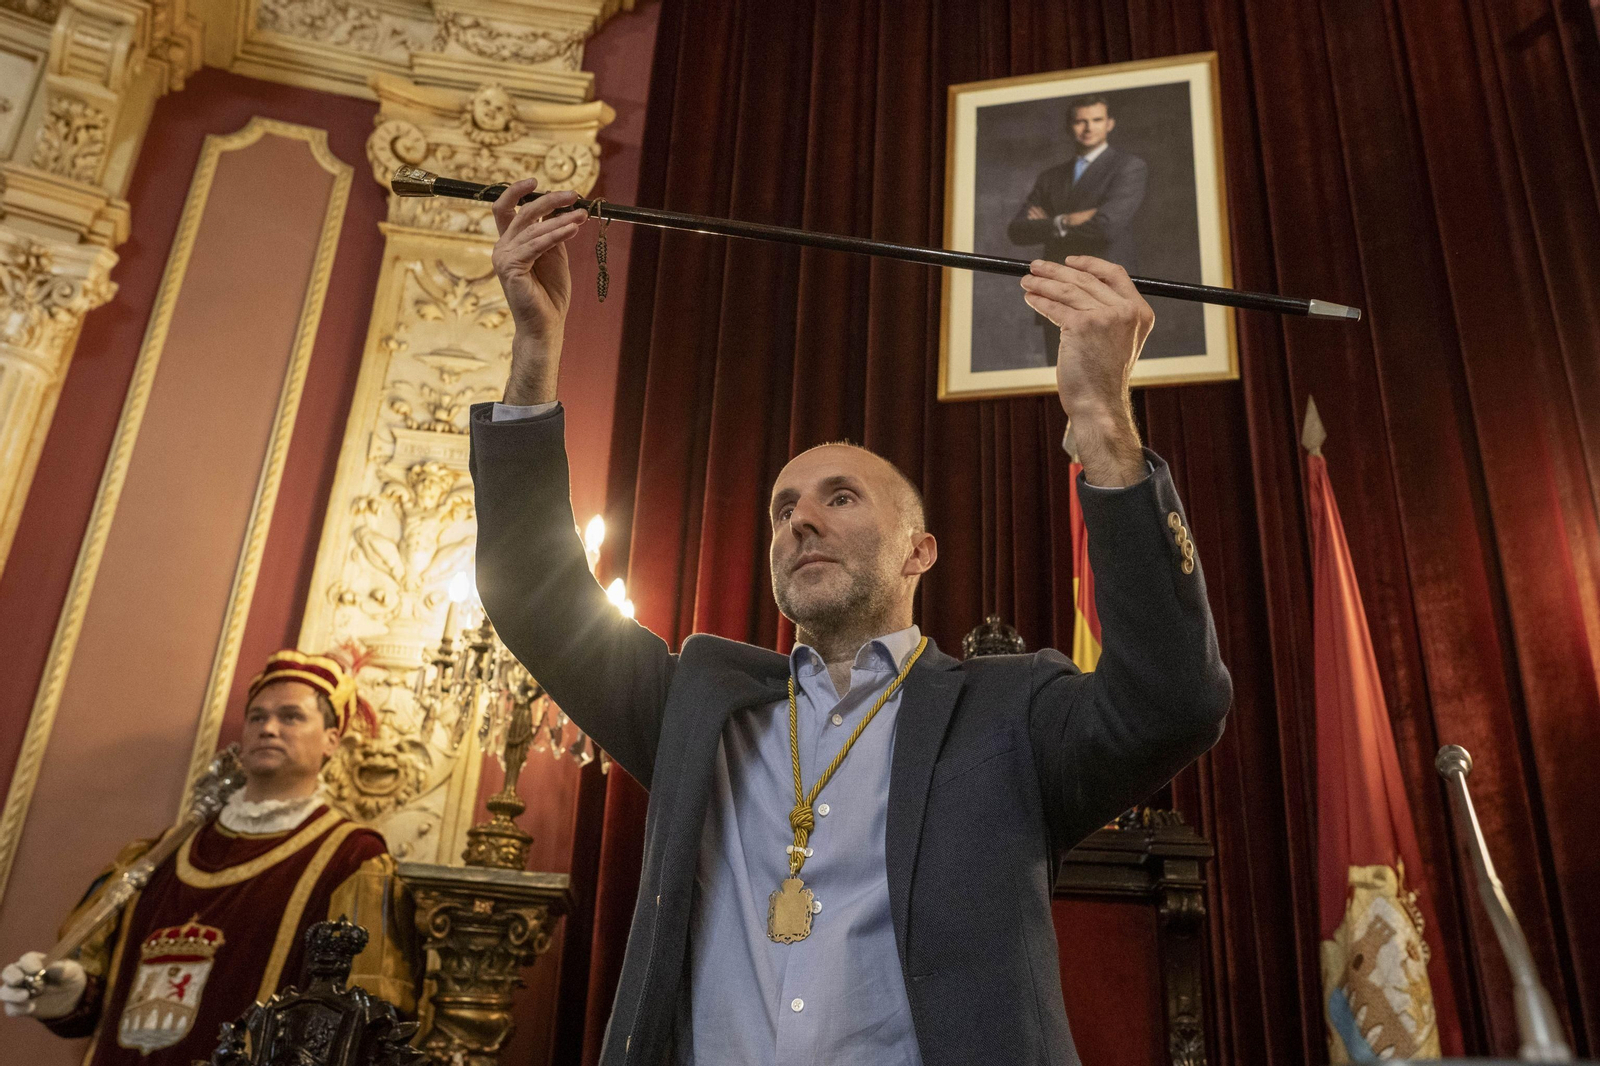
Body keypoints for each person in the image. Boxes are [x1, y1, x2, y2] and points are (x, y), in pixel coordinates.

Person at [471, 179, 1230, 1066]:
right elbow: (532, 587)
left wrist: (1104, 425)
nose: (801, 520)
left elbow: (1177, 702)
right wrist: (535, 345)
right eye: (783, 506)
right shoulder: (699, 706)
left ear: (919, 553)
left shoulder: (1010, 714)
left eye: (840, 498)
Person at [0, 650, 413, 1065]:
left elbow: (370, 1018)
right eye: (256, 716)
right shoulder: (161, 854)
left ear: (331, 740)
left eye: (291, 717)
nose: (268, 728)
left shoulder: (353, 859)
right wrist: (68, 995)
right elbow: (100, 1004)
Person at [1009, 94, 1149, 364]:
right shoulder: (1051, 177)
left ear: (1109, 124)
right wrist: (1066, 221)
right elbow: (1017, 230)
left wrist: (1047, 223)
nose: (1088, 127)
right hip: (1056, 291)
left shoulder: (1128, 168)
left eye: (1096, 120)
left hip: (1108, 293)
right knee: (1061, 380)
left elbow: (1106, 227)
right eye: (1080, 121)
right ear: (1069, 126)